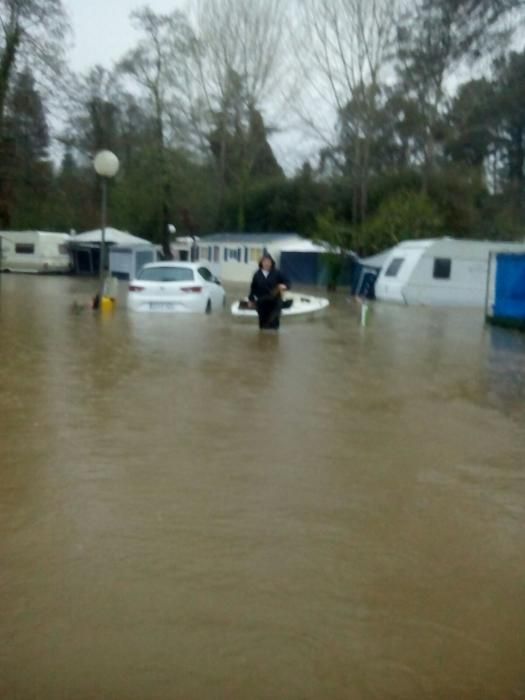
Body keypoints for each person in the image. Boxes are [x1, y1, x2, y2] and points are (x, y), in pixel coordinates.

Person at [249, 254, 290, 330]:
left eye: (268, 261)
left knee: (273, 323)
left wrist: (284, 286)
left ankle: (273, 339)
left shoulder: (277, 273)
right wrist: (251, 300)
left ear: (272, 263)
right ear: (261, 263)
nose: (266, 263)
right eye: (264, 261)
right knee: (262, 325)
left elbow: (287, 282)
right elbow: (253, 288)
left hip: (275, 302)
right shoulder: (257, 274)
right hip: (261, 302)